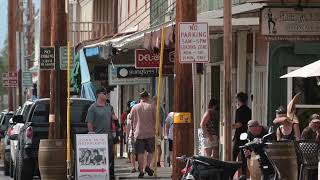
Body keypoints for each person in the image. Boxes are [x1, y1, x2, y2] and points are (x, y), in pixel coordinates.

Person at [85, 87, 115, 179]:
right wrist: (91, 135)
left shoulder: (109, 106)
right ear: (98, 94)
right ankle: (99, 175)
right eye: (104, 93)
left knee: (110, 158)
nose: (106, 94)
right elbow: (89, 123)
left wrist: (115, 129)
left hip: (109, 137)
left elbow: (113, 120)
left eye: (106, 93)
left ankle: (110, 175)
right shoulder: (92, 108)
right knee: (99, 158)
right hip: (98, 139)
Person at [131, 90, 156, 178]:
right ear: (147, 97)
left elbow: (131, 120)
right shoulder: (152, 107)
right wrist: (159, 131)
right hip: (150, 133)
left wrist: (132, 132)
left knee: (140, 153)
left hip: (138, 133)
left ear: (140, 98)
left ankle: (141, 170)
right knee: (151, 151)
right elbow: (156, 120)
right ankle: (148, 166)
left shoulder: (134, 107)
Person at [232, 92, 251, 176]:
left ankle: (231, 174)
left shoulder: (239, 111)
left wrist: (230, 126)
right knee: (244, 156)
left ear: (238, 100)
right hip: (246, 134)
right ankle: (244, 174)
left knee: (233, 155)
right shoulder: (249, 110)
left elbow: (238, 124)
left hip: (239, 135)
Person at [152, 96, 165, 167]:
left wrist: (160, 131)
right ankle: (157, 161)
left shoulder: (158, 109)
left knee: (156, 146)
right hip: (157, 129)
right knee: (157, 146)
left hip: (156, 130)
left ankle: (157, 161)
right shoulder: (159, 108)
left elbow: (159, 120)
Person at [126, 101, 138, 173]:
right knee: (134, 152)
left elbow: (128, 126)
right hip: (134, 135)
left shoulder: (130, 115)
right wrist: (128, 136)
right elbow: (128, 126)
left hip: (136, 135)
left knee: (136, 152)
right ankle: (135, 167)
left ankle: (137, 166)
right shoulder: (129, 115)